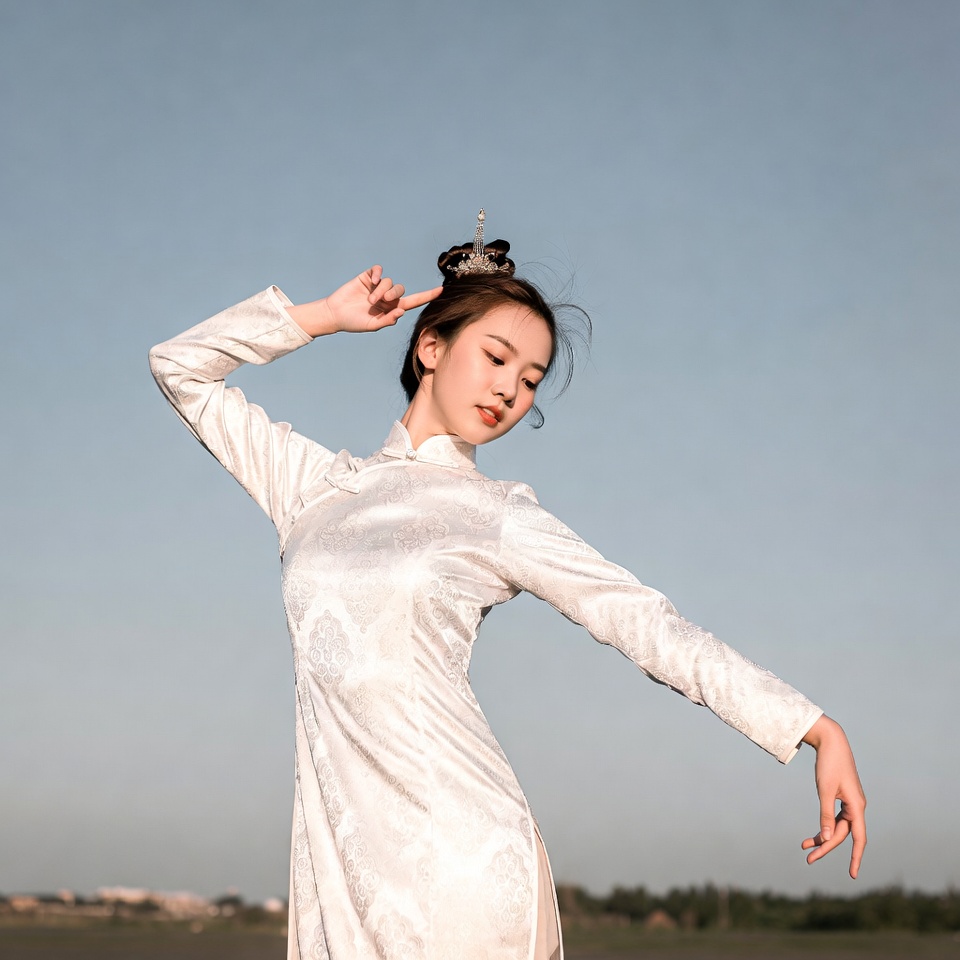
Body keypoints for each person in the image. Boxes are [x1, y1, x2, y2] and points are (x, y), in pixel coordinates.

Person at [149, 212, 866, 960]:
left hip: (463, 869)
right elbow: (179, 367)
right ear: (431, 346)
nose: (510, 392)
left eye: (529, 380)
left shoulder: (497, 515)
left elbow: (647, 623)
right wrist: (323, 318)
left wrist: (811, 727)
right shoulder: (312, 488)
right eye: (495, 358)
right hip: (340, 868)